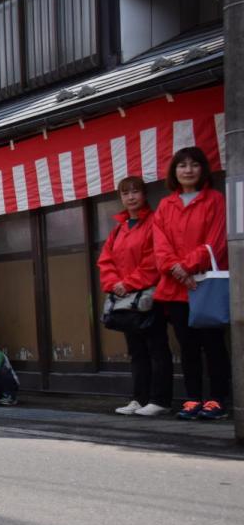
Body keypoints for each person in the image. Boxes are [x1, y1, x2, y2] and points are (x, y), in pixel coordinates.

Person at [152, 146, 230, 420]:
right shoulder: (165, 205)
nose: (188, 170)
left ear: (203, 169)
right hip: (176, 289)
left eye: (194, 164)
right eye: (182, 165)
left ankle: (218, 400)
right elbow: (160, 246)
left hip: (205, 284)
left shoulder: (215, 200)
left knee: (214, 345)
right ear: (174, 171)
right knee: (187, 347)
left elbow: (217, 241)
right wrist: (178, 270)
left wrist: (185, 267)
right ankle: (193, 398)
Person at [97, 175, 171, 417]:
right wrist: (114, 283)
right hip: (126, 299)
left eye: (135, 191)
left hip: (150, 296)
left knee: (156, 347)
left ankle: (160, 400)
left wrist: (127, 283)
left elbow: (155, 259)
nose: (130, 197)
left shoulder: (154, 221)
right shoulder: (119, 228)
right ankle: (139, 398)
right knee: (136, 350)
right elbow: (106, 260)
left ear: (144, 194)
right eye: (125, 193)